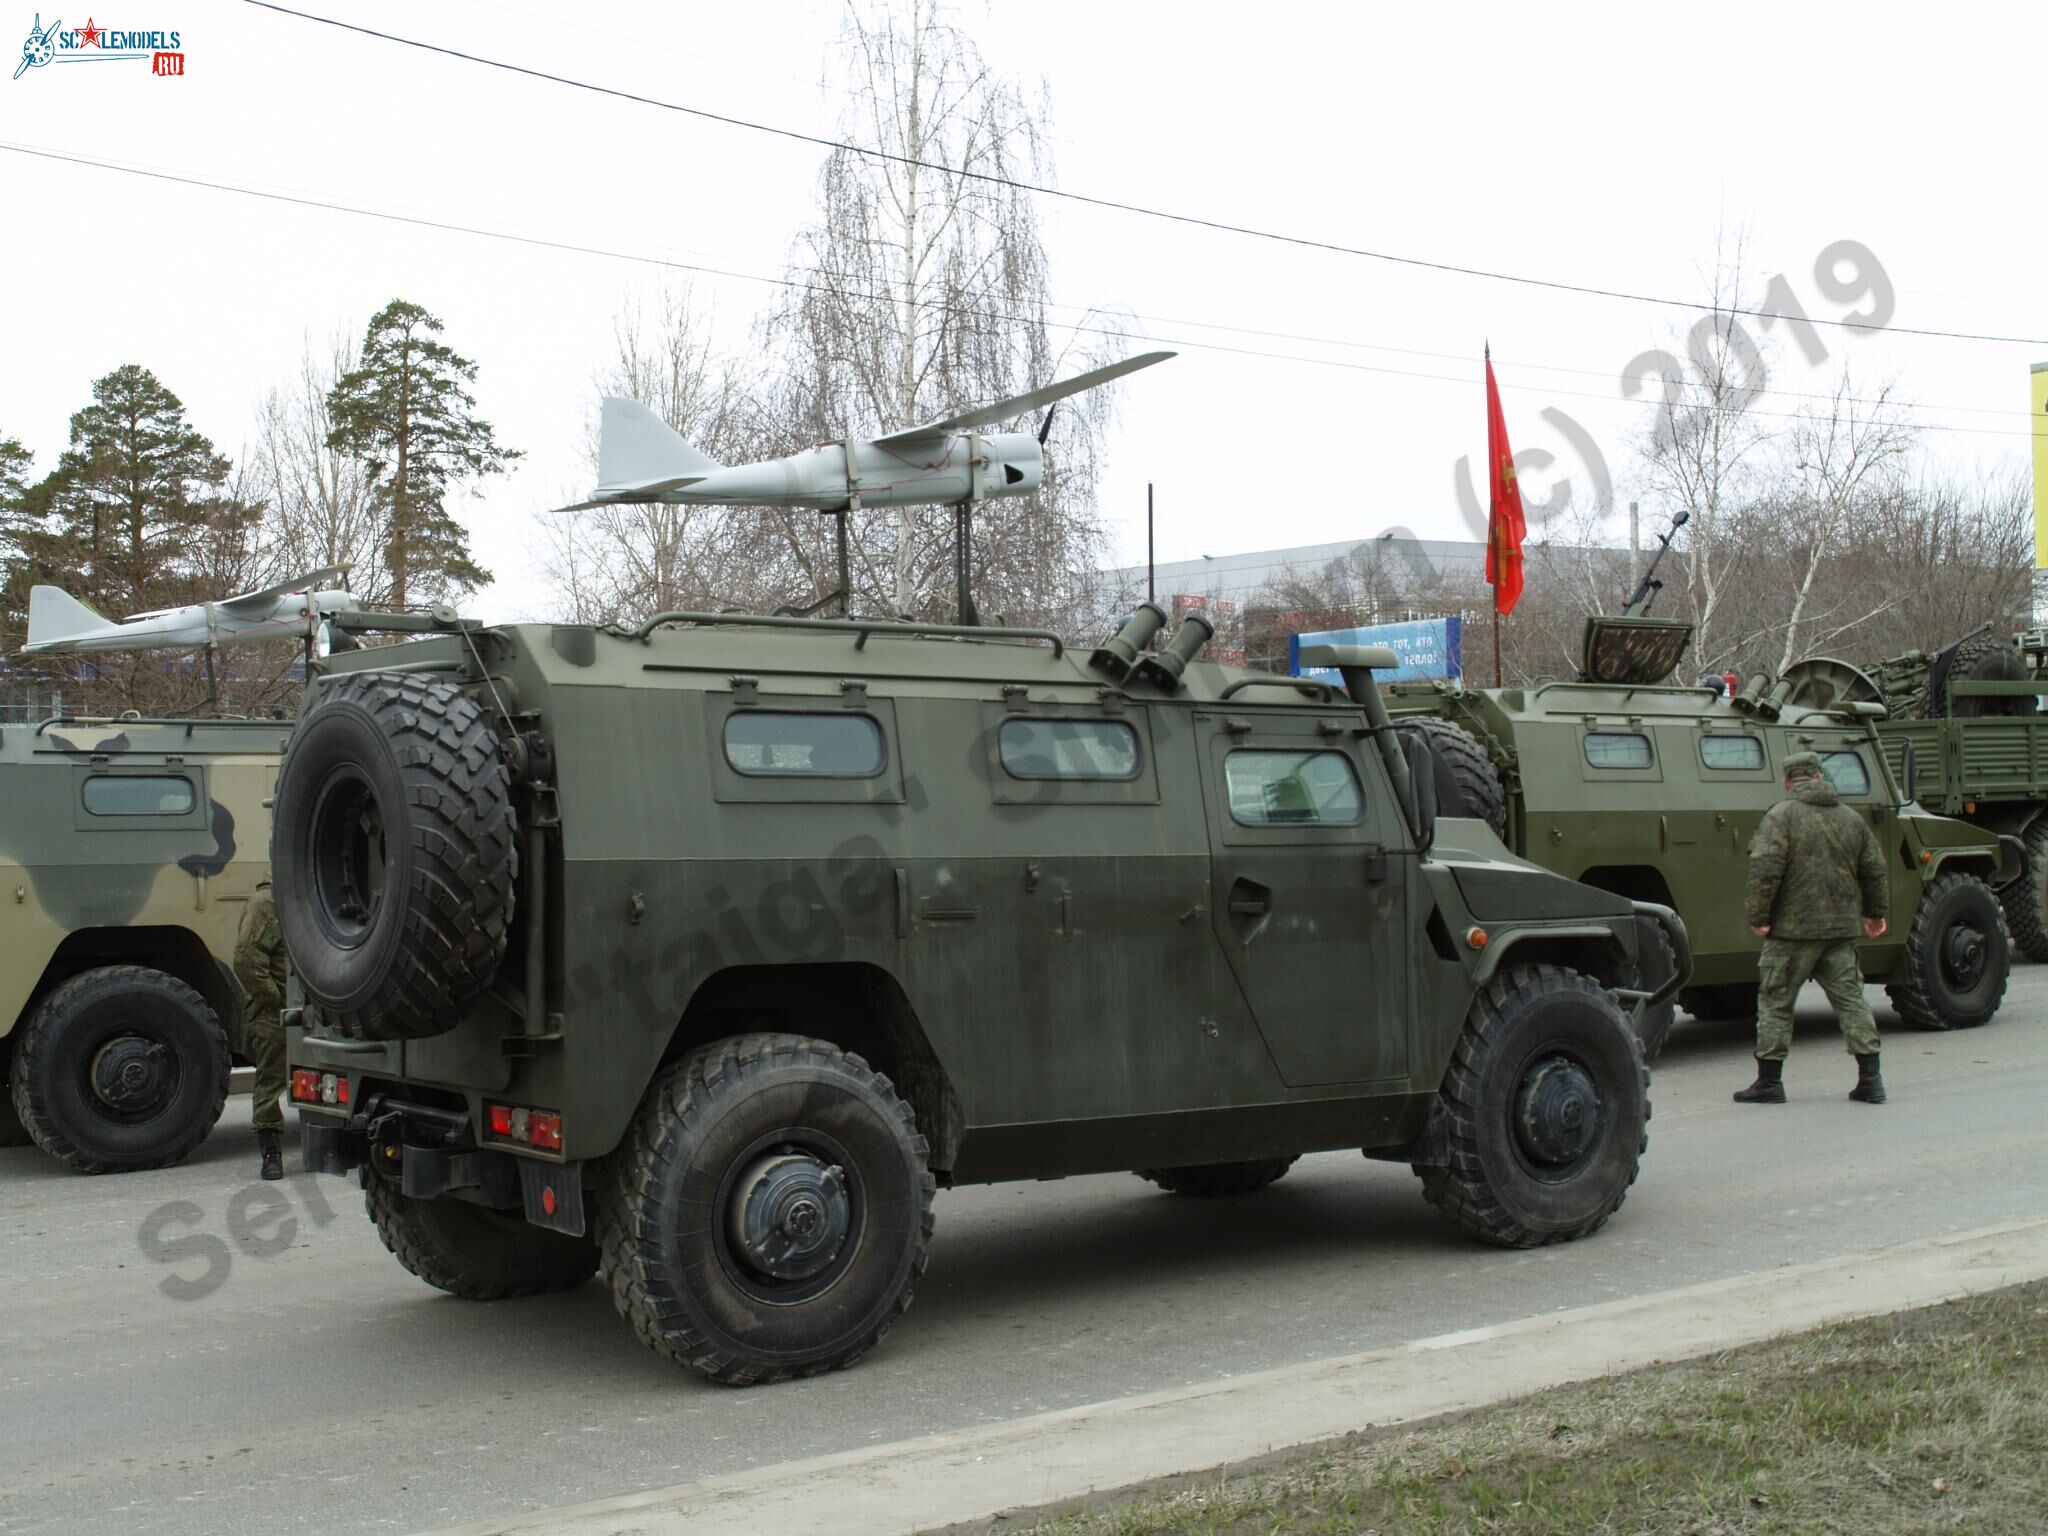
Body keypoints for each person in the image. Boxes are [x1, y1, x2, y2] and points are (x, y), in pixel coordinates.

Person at [1736, 751, 1889, 1105]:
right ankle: (1871, 1079)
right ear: (1820, 777)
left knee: (1776, 1002)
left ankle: (1769, 1082)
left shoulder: (1781, 816)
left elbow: (1765, 868)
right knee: (1852, 1001)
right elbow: (1874, 868)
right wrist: (1874, 913)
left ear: (1788, 782)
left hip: (1791, 933)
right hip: (1839, 931)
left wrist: (1758, 917)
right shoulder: (1851, 819)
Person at [232, 877, 290, 1179]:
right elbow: (246, 959)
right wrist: (275, 998)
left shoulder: (300, 897)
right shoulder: (267, 904)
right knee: (269, 1083)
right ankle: (271, 1152)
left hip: (304, 1010)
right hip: (275, 1013)